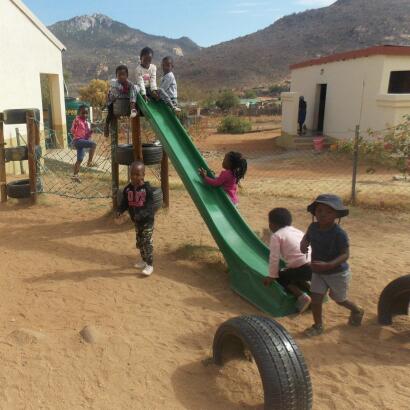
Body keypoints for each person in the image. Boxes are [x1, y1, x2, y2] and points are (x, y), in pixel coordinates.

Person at [300, 194, 364, 337]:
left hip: (337, 272)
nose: (323, 214)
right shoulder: (313, 226)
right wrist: (303, 243)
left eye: (329, 212)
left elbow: (345, 254)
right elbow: (307, 237)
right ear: (314, 212)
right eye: (320, 210)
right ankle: (318, 326)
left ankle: (357, 309)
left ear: (336, 215)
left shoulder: (339, 234)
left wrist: (329, 265)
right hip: (318, 270)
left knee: (339, 299)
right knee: (316, 300)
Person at [263, 208, 312, 313]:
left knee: (280, 276)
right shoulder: (297, 231)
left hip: (303, 269)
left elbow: (274, 257)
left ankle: (301, 296)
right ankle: (308, 285)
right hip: (315, 266)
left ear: (272, 224)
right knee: (292, 270)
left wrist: (272, 276)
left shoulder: (277, 236)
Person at [116, 161, 155, 276]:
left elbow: (149, 208)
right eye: (132, 174)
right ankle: (143, 260)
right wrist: (120, 210)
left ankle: (149, 265)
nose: (134, 177)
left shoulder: (147, 189)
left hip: (147, 222)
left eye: (137, 174)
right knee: (139, 242)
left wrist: (140, 214)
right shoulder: (128, 189)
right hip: (137, 222)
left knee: (146, 242)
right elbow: (125, 203)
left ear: (143, 175)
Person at [104, 64, 137, 138]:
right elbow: (112, 96)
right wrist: (113, 97)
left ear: (127, 75)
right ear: (116, 76)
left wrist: (132, 103)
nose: (121, 76)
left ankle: (133, 108)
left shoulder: (130, 85)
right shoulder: (115, 84)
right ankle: (106, 125)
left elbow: (133, 94)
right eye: (119, 75)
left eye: (123, 74)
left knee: (134, 91)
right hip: (113, 101)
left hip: (125, 101)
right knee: (110, 112)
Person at [71, 105, 96, 183]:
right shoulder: (77, 120)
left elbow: (87, 135)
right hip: (78, 141)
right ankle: (89, 162)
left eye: (86, 113)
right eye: (83, 113)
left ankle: (75, 176)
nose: (85, 115)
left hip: (81, 141)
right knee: (93, 144)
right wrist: (76, 134)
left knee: (80, 159)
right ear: (79, 113)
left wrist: (91, 130)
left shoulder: (86, 123)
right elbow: (72, 129)